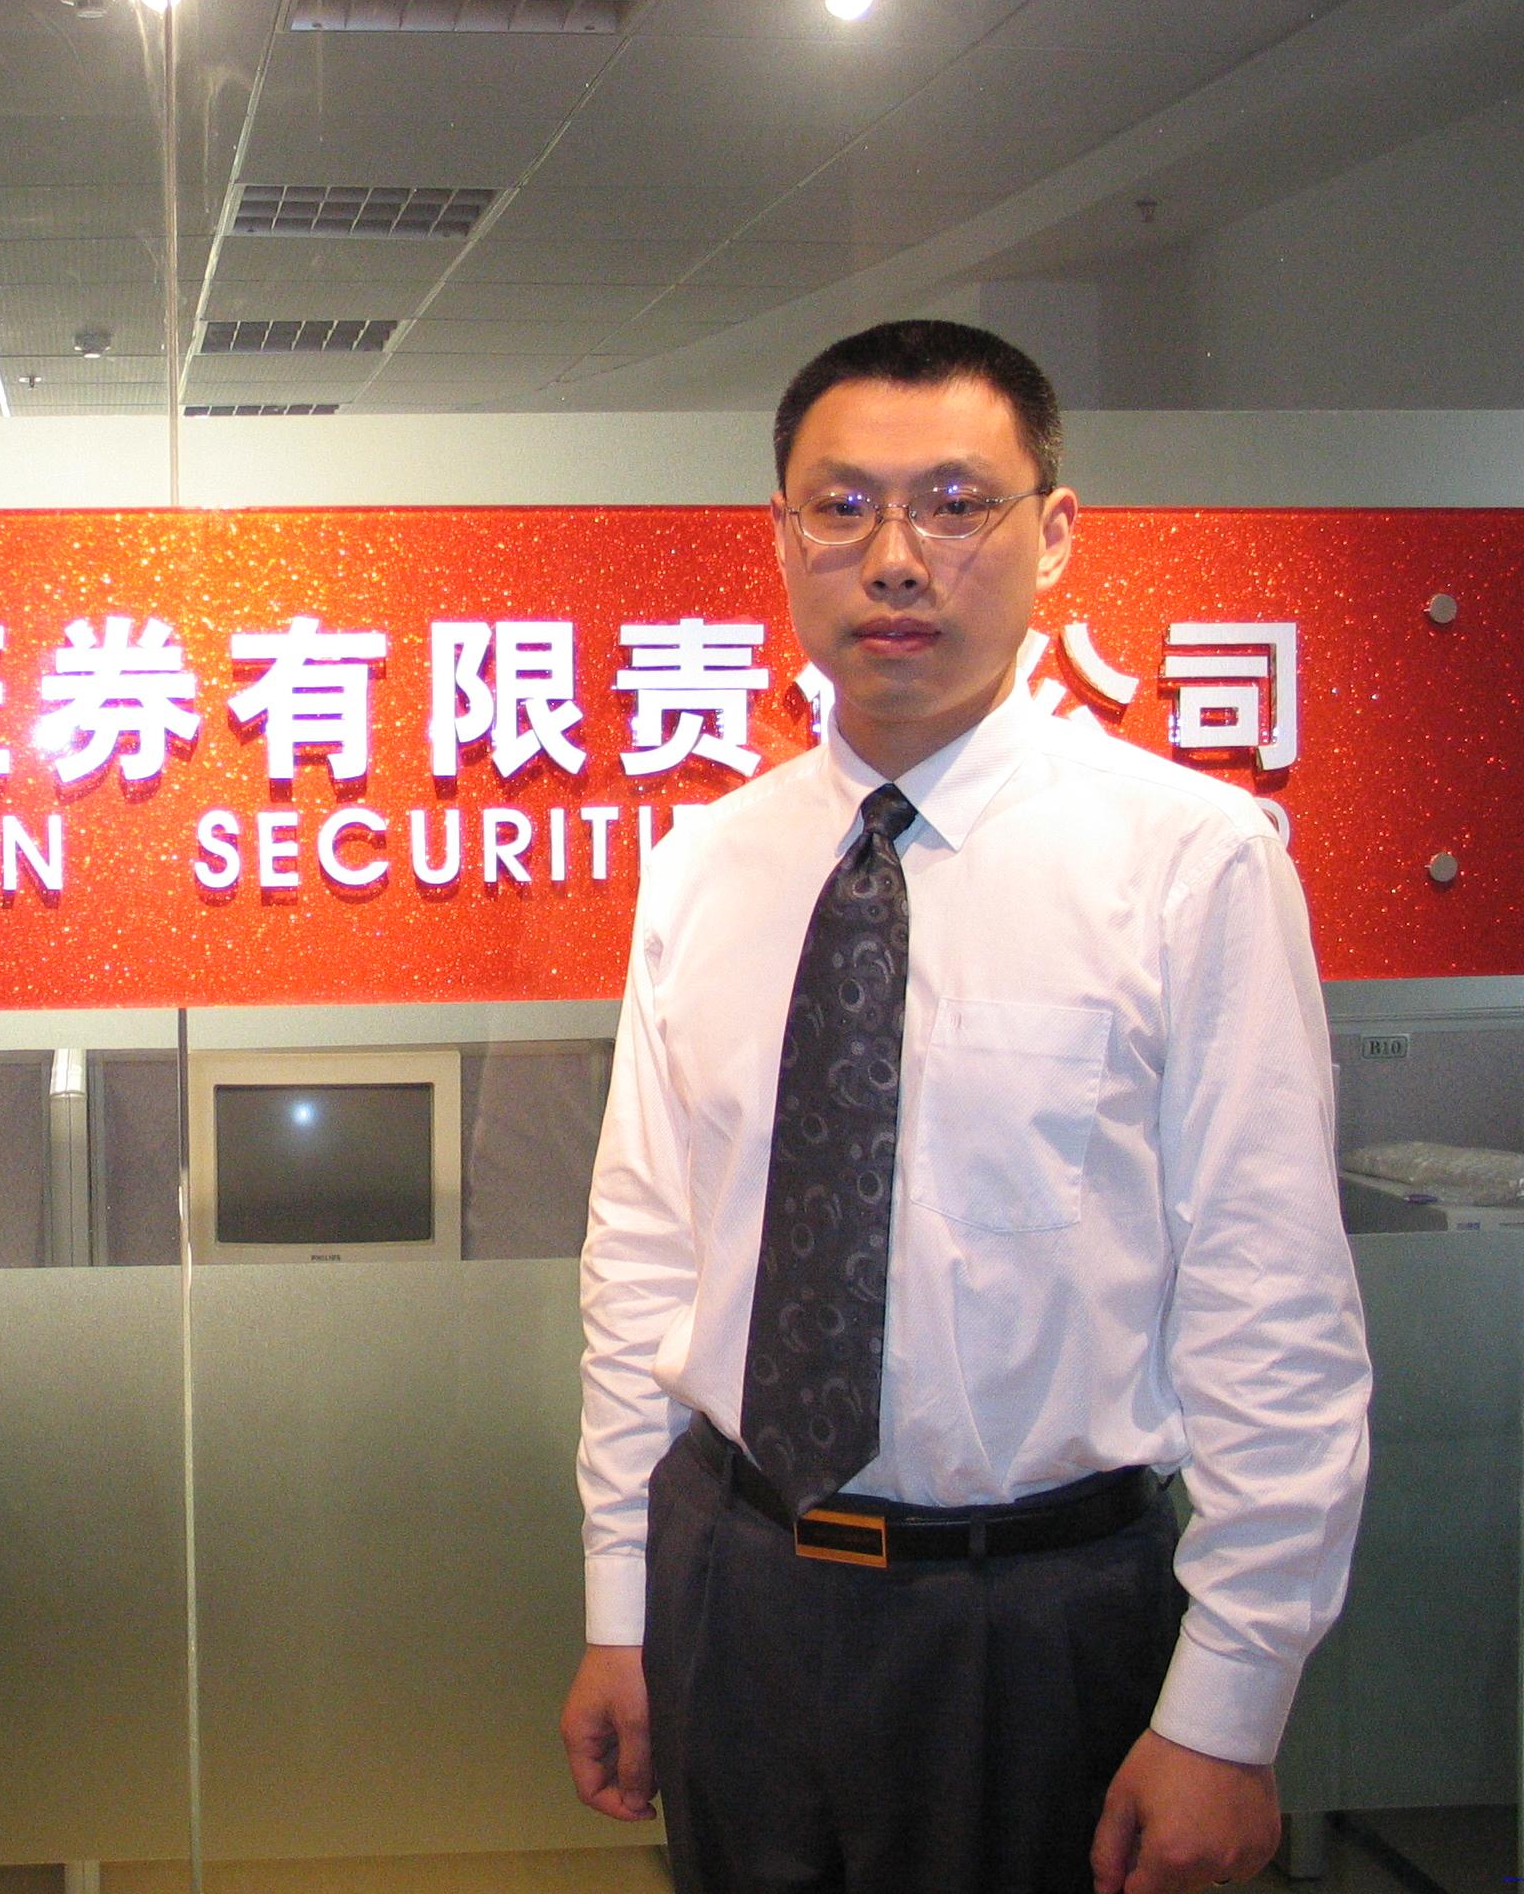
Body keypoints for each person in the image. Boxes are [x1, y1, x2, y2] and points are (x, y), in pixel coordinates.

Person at [557, 319, 1370, 1894]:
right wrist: (622, 1606)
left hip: (1037, 1621)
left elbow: (1271, 1305)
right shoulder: (708, 865)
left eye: (954, 503)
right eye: (841, 506)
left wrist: (1231, 1708)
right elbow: (644, 1257)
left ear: (1053, 534)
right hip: (734, 1589)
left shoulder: (1189, 862)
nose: (894, 559)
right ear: (781, 537)